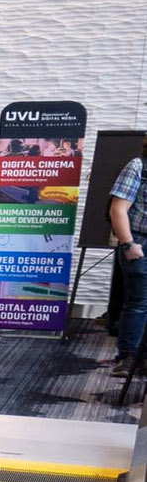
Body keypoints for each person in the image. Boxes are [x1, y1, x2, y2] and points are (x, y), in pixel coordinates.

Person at [107, 145, 147, 367]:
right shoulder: (138, 166)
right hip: (140, 242)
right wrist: (129, 243)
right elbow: (118, 209)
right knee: (139, 301)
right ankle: (128, 358)